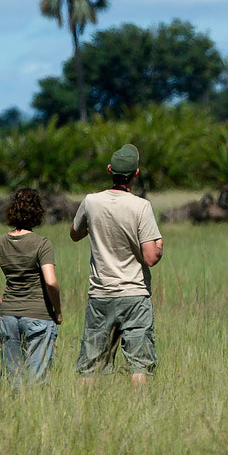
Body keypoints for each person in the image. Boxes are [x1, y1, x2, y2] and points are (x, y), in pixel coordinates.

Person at [70, 143, 163, 386]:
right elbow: (151, 257)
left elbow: (75, 233)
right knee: (139, 364)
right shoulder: (141, 206)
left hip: (100, 294)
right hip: (134, 294)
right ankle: (140, 412)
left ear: (109, 170)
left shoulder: (91, 202)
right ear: (136, 173)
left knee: (90, 366)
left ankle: (82, 414)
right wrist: (159, 244)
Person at [0, 188, 62, 387]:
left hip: (9, 316)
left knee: (13, 380)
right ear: (38, 213)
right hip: (38, 315)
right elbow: (50, 281)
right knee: (37, 380)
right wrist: (58, 311)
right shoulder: (42, 244)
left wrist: (2, 303)